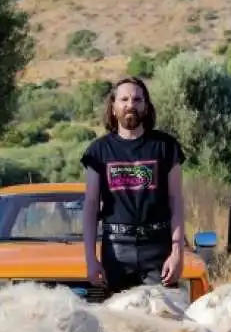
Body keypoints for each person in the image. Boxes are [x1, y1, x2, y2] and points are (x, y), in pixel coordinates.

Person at [80, 76, 186, 297]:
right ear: (113, 107)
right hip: (116, 249)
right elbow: (90, 206)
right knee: (117, 324)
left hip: (158, 249)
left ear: (146, 106)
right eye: (124, 99)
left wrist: (177, 252)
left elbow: (176, 200)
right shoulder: (98, 152)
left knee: (164, 320)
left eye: (137, 99)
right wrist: (90, 258)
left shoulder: (166, 147)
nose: (131, 105)